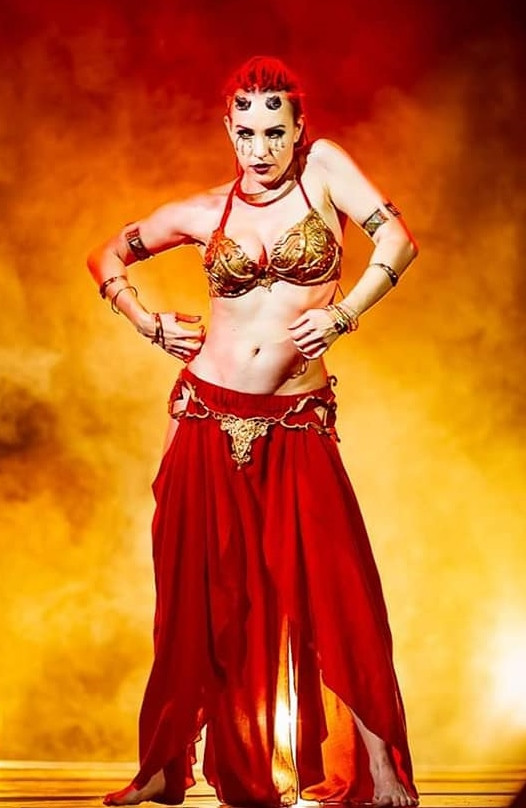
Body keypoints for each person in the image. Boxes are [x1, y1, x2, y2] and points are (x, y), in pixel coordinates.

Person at [87, 56, 420, 808]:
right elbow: (105, 253)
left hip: (296, 419)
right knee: (197, 597)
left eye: (275, 131)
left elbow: (397, 240)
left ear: (299, 130)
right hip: (206, 416)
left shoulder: (323, 172)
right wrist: (146, 321)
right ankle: (166, 765)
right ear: (227, 130)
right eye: (246, 132)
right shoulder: (205, 212)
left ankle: (380, 765)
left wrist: (345, 313)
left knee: (337, 587)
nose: (260, 147)